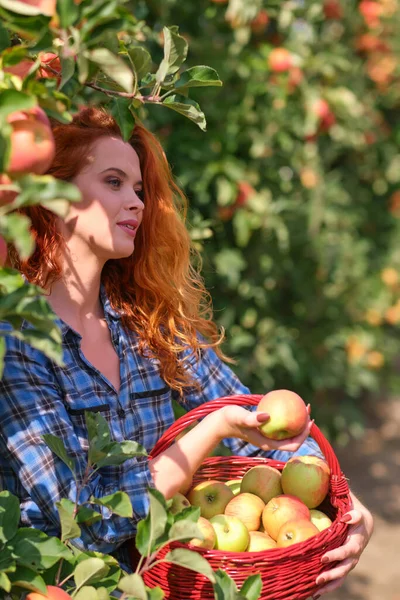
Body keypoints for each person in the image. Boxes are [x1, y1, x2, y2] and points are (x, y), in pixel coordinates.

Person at [0, 107, 373, 596]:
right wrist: (210, 429)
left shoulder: (147, 322)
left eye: (138, 189)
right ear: (56, 195)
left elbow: (254, 419)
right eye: (114, 182)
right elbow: (88, 520)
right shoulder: (18, 343)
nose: (136, 202)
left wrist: (341, 498)